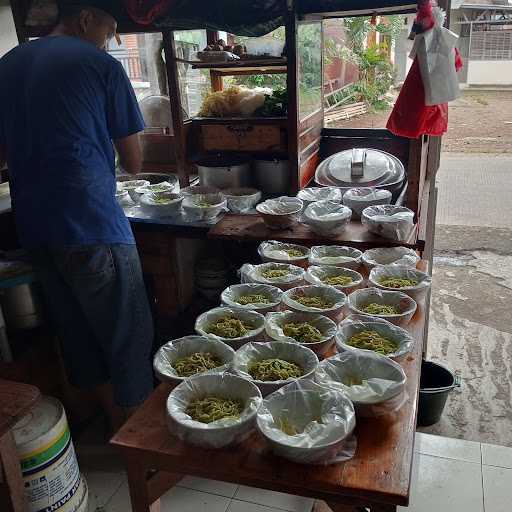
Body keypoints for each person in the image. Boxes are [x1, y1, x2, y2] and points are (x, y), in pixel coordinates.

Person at [0, 1, 154, 432]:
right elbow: (136, 162)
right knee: (127, 335)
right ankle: (141, 449)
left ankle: (106, 425)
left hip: (35, 227)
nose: (110, 39)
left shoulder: (7, 64)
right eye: (110, 29)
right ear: (86, 18)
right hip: (90, 222)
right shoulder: (98, 64)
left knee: (78, 335)